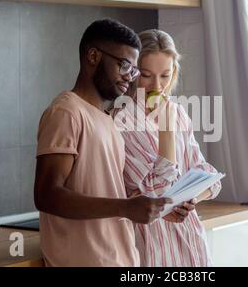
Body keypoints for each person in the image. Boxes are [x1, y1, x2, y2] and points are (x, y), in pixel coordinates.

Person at [34, 19, 171, 267]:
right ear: (93, 56)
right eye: (124, 65)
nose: (130, 77)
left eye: (133, 70)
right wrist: (125, 208)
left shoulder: (108, 120)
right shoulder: (66, 112)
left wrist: (153, 207)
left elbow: (106, 191)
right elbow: (46, 195)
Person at [114, 29, 222, 267]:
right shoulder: (122, 120)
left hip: (192, 243)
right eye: (147, 75)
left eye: (165, 75)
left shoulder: (178, 112)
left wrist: (191, 199)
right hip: (154, 248)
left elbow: (209, 176)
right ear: (133, 73)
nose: (157, 86)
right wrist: (166, 128)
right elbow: (160, 190)